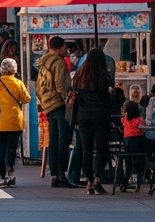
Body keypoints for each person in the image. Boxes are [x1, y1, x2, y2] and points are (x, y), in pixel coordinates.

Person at [35, 35, 77, 188]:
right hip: (59, 105)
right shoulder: (58, 63)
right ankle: (61, 173)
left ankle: (54, 174)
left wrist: (43, 101)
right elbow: (62, 85)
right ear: (60, 47)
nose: (66, 49)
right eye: (65, 46)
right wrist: (68, 99)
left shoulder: (43, 63)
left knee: (52, 141)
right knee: (63, 140)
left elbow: (38, 87)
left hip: (48, 104)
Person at [72, 48, 114, 195]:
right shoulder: (105, 75)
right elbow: (111, 93)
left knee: (86, 149)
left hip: (83, 116)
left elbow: (75, 91)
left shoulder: (80, 75)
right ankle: (97, 179)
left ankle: (89, 181)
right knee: (102, 149)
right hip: (101, 115)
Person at [0, 57, 30, 188]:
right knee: (12, 149)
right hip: (14, 121)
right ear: (15, 69)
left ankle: (2, 178)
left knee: (1, 150)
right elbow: (26, 99)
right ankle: (11, 174)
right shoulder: (18, 83)